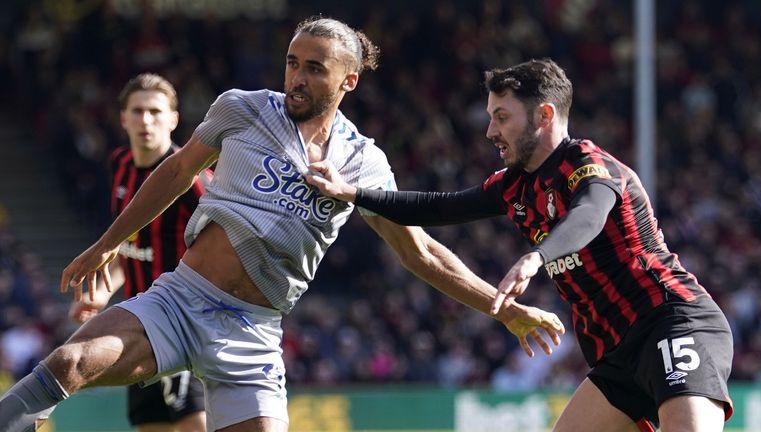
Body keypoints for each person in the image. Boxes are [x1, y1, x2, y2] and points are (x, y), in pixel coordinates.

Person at [0, 18, 564, 432]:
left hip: (253, 332)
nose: (295, 77)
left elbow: (419, 252)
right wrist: (107, 244)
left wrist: (503, 307)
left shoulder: (363, 162)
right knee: (69, 361)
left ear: (347, 83)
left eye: (314, 68)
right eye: (292, 62)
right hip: (178, 301)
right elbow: (175, 171)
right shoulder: (243, 109)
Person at [305, 58, 734, 432]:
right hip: (618, 357)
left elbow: (588, 214)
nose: (491, 130)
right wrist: (353, 193)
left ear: (544, 115)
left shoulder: (588, 165)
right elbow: (437, 208)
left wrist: (537, 256)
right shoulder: (512, 186)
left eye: (503, 117)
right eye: (491, 116)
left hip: (673, 322)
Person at [67, 73, 207, 432]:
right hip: (139, 324)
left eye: (156, 112)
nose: (147, 121)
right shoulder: (120, 165)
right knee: (152, 424)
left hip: (186, 326)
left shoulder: (193, 182)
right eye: (138, 111)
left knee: (194, 425)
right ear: (123, 118)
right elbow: (130, 251)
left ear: (174, 119)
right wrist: (101, 292)